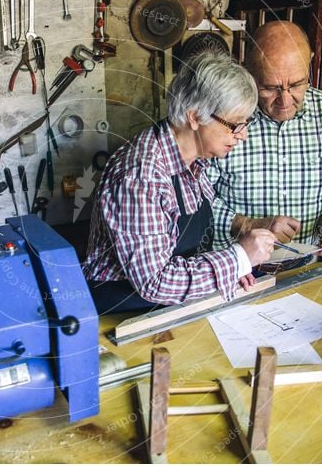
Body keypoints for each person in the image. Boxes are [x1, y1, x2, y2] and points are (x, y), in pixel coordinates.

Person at [83, 52, 276, 314]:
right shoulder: (142, 176)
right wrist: (238, 258)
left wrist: (230, 271)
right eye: (235, 125)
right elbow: (154, 281)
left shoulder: (193, 160)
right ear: (194, 116)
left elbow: (185, 249)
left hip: (168, 305)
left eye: (246, 123)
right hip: (123, 311)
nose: (243, 135)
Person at [209, 21, 322, 257]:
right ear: (248, 70)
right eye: (269, 87)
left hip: (308, 263)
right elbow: (193, 198)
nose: (285, 101)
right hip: (235, 267)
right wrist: (245, 225)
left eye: (296, 84)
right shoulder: (222, 116)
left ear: (310, 62)